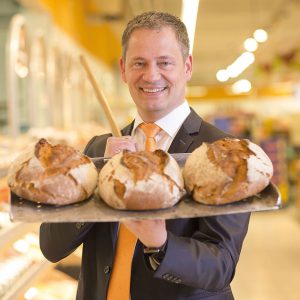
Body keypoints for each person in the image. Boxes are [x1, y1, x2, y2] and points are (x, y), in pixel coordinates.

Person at [39, 11, 250, 300]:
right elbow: (51, 247)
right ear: (123, 69)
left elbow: (220, 266)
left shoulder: (224, 152)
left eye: (164, 62)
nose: (151, 75)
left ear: (187, 67)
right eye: (139, 63)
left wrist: (160, 242)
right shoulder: (99, 150)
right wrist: (98, 178)